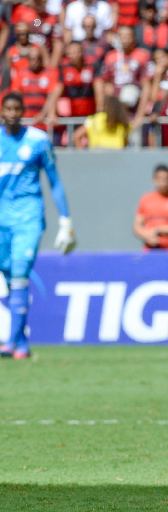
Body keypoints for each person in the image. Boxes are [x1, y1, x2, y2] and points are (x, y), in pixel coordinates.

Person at [0, 92, 76, 360]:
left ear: (23, 112)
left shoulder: (38, 141)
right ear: (2, 111)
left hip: (29, 217)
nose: (12, 114)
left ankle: (9, 343)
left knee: (20, 272)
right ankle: (21, 345)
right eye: (7, 109)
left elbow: (54, 181)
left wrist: (65, 220)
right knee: (10, 279)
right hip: (1, 221)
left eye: (16, 109)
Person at [133, 164, 168, 249]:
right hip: (150, 249)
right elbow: (137, 226)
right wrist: (147, 236)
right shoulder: (146, 198)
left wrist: (158, 230)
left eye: (165, 179)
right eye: (159, 178)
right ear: (154, 180)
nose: (162, 182)